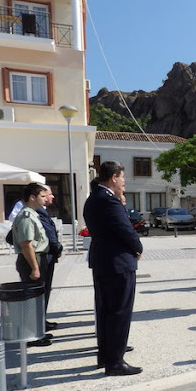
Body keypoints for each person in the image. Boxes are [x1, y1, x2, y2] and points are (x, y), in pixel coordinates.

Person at [83, 161, 143, 376]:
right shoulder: (109, 201)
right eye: (122, 177)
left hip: (103, 262)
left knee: (105, 312)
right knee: (119, 312)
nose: (124, 182)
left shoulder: (93, 199)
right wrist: (138, 248)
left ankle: (106, 354)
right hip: (117, 263)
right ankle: (115, 362)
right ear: (114, 177)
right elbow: (126, 230)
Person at [11, 183, 52, 347]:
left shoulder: (32, 214)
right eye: (42, 196)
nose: (45, 199)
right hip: (31, 260)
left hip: (36, 258)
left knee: (36, 298)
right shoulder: (26, 216)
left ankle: (37, 332)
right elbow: (26, 244)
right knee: (31, 300)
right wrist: (35, 268)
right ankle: (31, 336)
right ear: (32, 197)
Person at [36, 185, 63, 319]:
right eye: (49, 194)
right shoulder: (39, 212)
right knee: (42, 290)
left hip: (47, 256)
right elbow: (49, 233)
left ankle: (42, 321)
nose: (52, 196)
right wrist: (57, 248)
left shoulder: (42, 211)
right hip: (43, 256)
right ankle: (39, 324)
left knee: (45, 290)